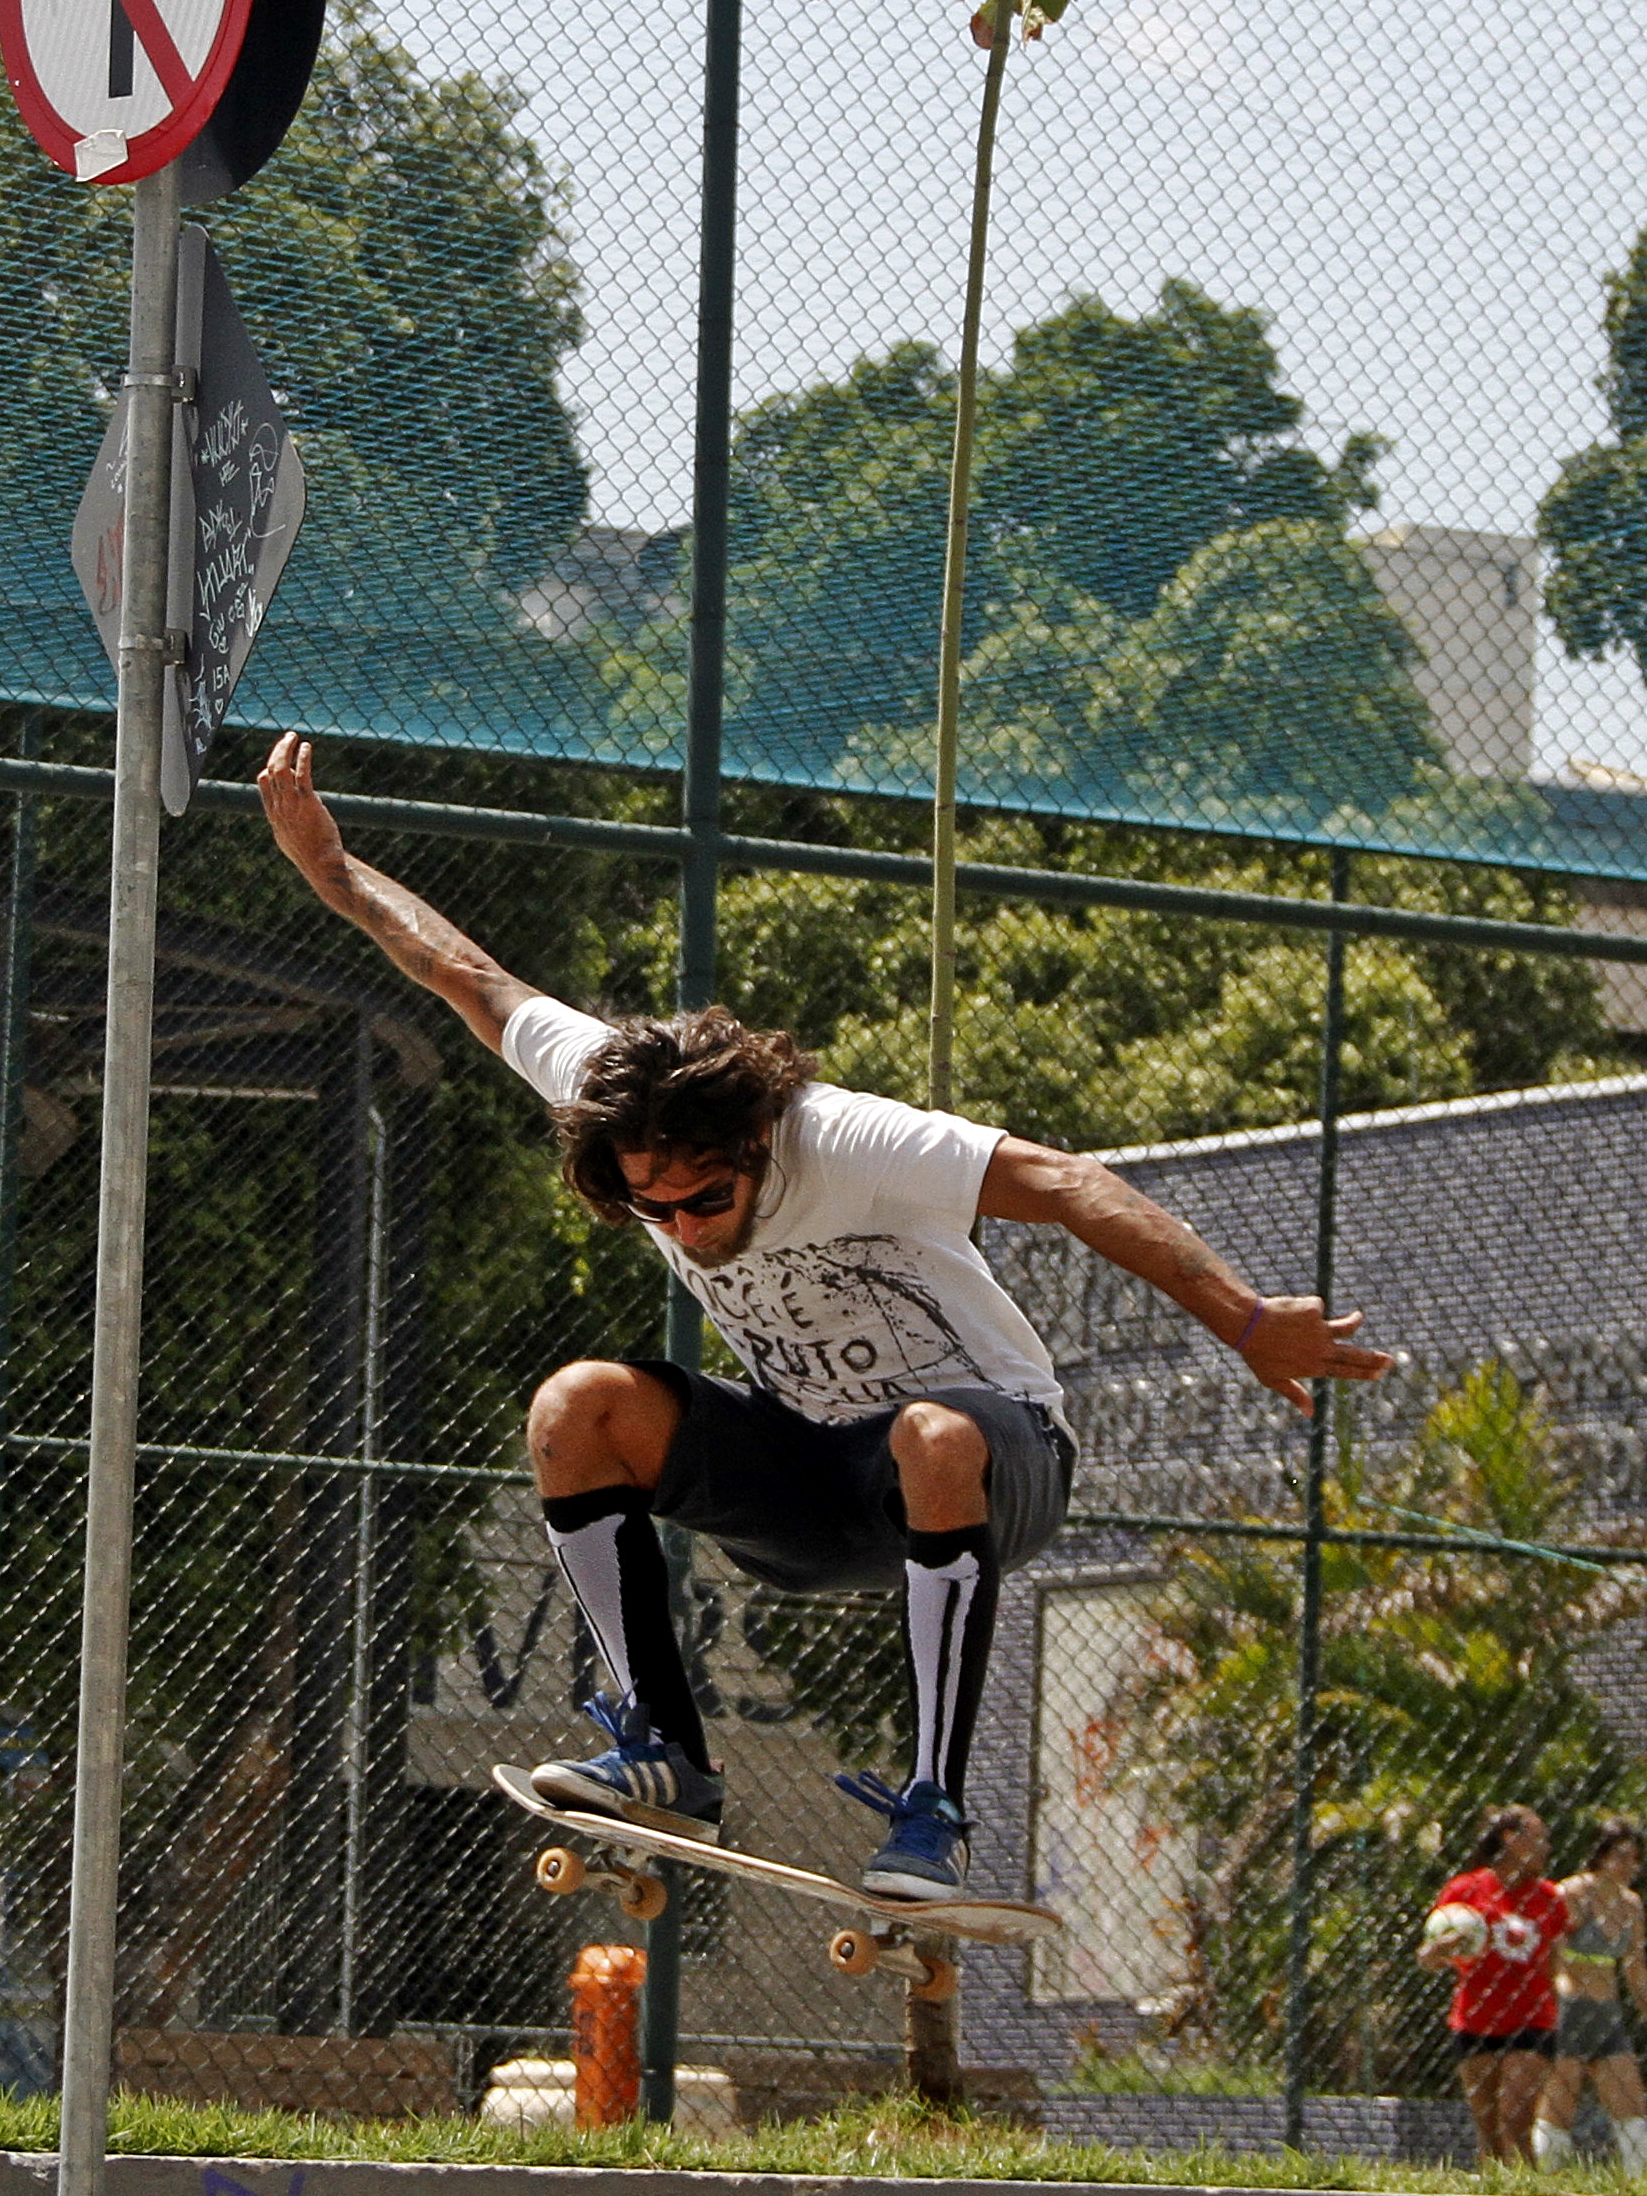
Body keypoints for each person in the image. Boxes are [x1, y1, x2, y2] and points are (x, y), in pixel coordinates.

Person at [258, 736, 1386, 1906]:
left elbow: (1063, 1183)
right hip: (813, 1481)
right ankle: (664, 1751)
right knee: (575, 1410)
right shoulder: (608, 1090)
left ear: (751, 1144)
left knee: (932, 1434)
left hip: (1000, 1466)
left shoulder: (841, 1136)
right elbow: (464, 974)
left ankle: (934, 1812)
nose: (688, 1231)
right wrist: (332, 869)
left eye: (709, 1200)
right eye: (657, 1211)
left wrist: (1246, 1322)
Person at [1530, 1822, 1647, 2176]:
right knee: (1558, 2109)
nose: (1629, 1866)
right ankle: (1543, 2184)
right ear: (1600, 1856)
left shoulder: (1632, 1906)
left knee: (1632, 2110)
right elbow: (1547, 1960)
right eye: (1620, 1857)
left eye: (1635, 1859)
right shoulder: (1569, 1893)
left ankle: (1646, 2188)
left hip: (1607, 2014)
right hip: (1568, 2011)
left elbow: (1638, 1976)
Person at [1422, 1804, 1568, 2166]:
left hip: (1532, 2021)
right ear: (1511, 1839)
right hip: (1476, 2020)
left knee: (1516, 2122)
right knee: (1489, 2133)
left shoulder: (1548, 1898)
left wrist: (1562, 2008)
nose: (1546, 1847)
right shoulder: (1466, 1889)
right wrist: (1438, 1950)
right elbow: (1427, 1956)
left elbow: (1556, 1964)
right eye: (1538, 1838)